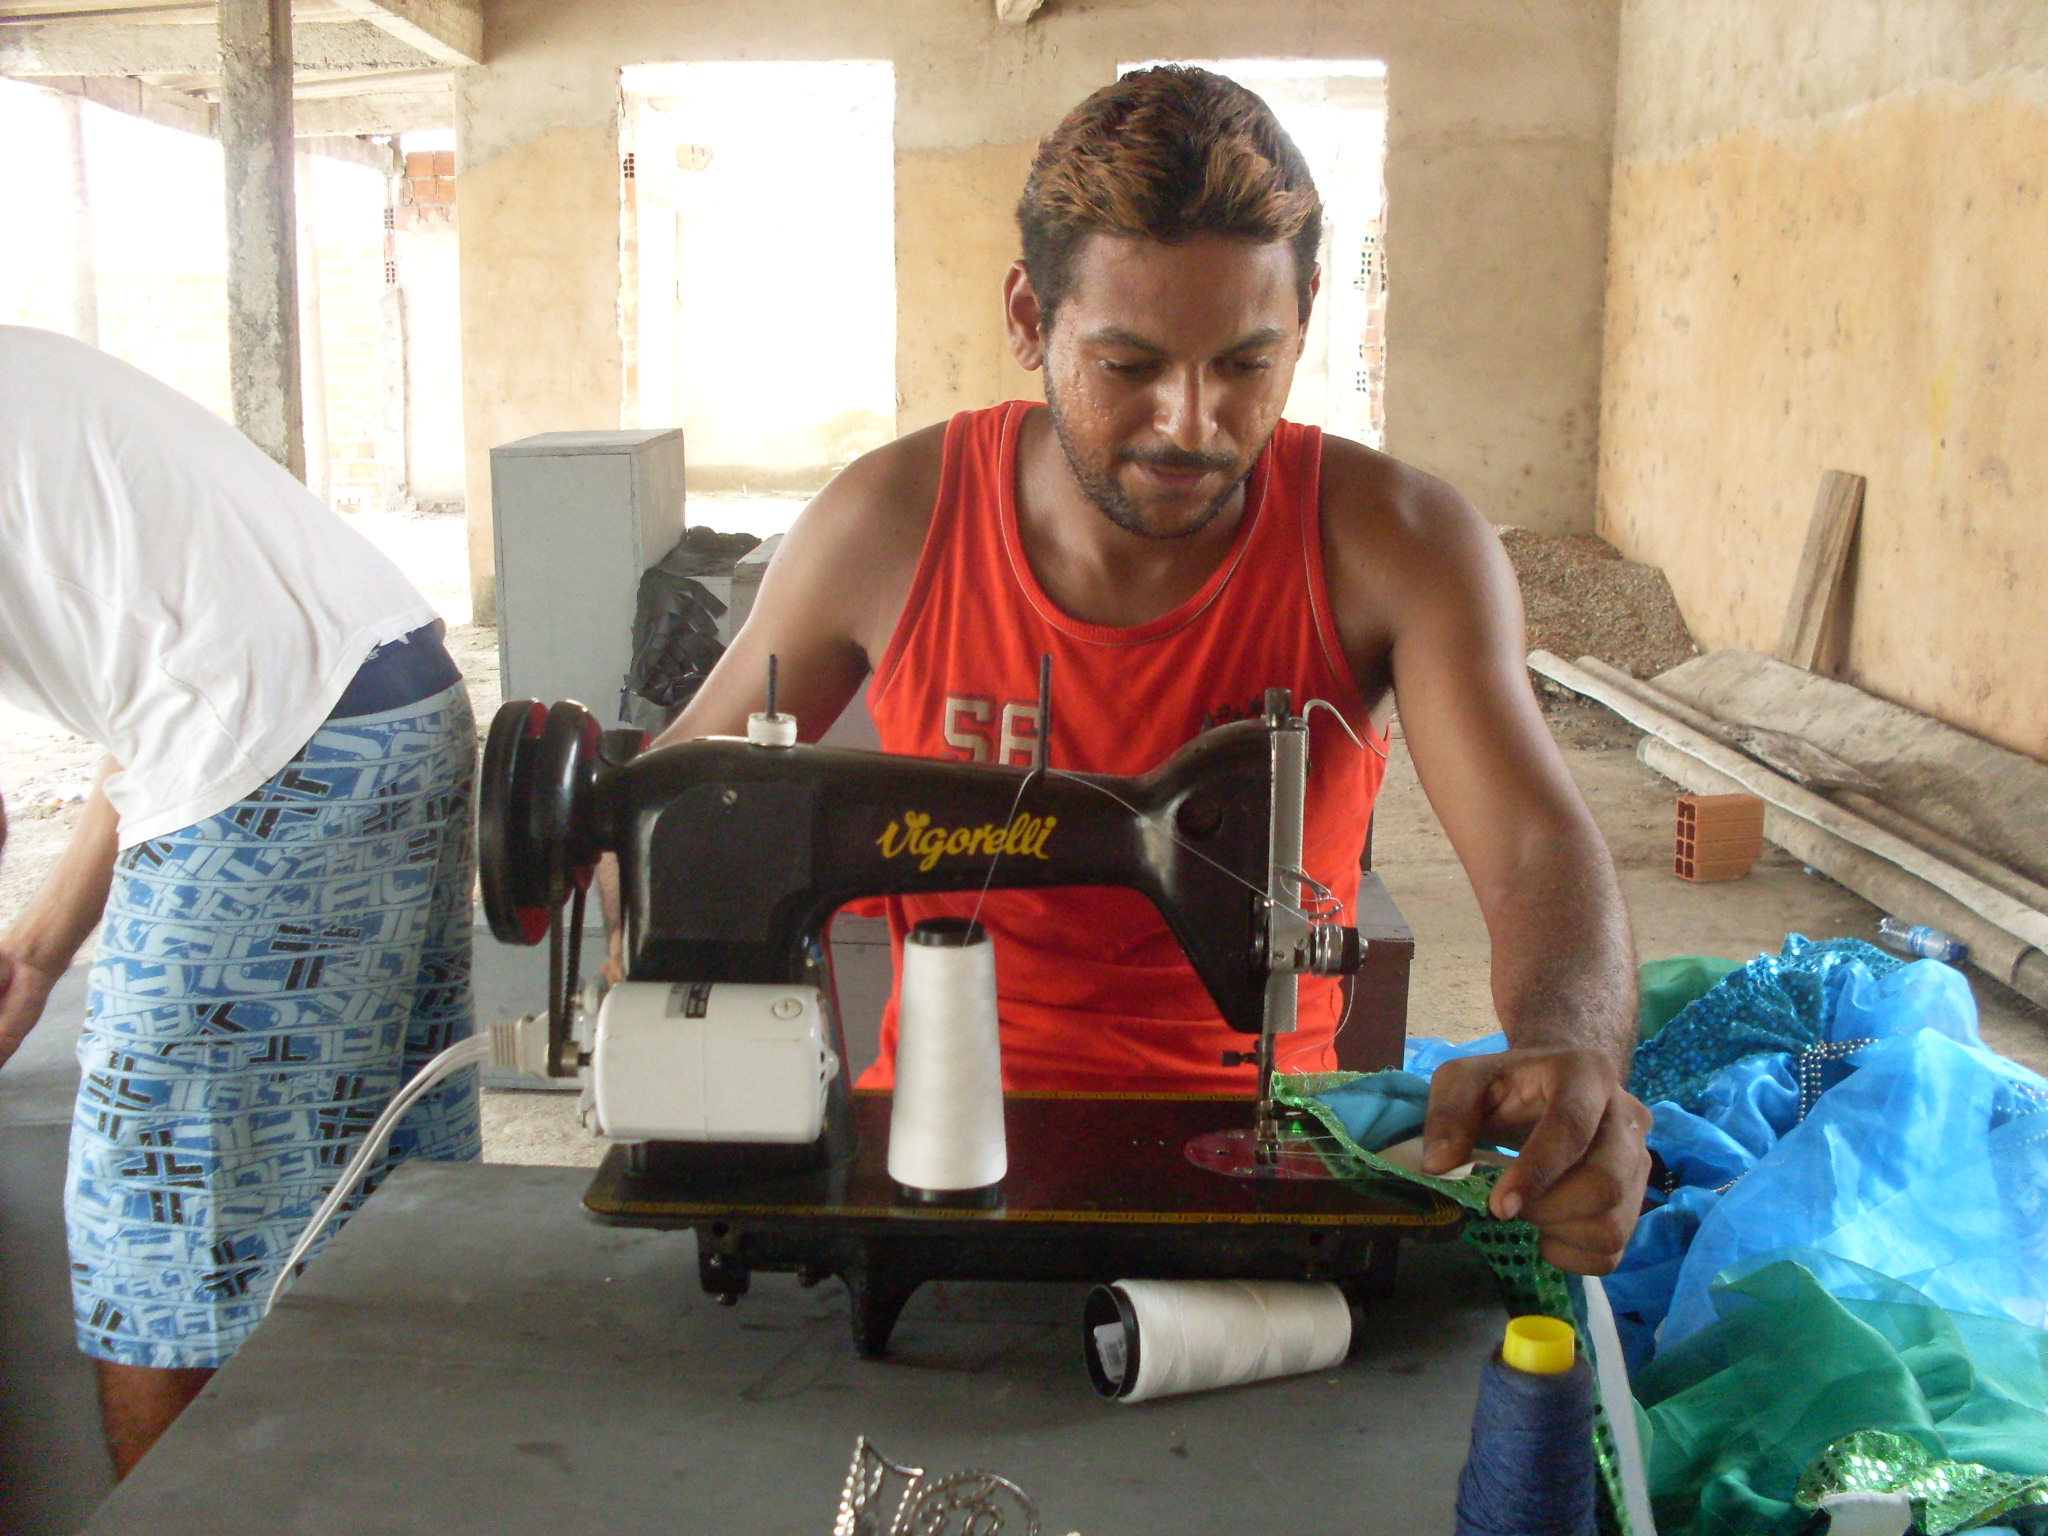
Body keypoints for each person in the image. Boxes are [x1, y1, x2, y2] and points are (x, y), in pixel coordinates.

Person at [634, 67, 1651, 1274]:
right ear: (1030, 317)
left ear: (1304, 316)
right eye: (1128, 367)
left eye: (1244, 365)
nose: (1190, 423)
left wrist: (1570, 1049)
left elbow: (1534, 849)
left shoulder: (1397, 544)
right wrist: (660, 942)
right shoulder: (887, 525)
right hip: (930, 1163)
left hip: (1266, 1156)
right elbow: (677, 805)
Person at [0, 327, 480, 1477]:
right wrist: (40, 952)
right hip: (398, 708)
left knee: (162, 1229)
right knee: (370, 1192)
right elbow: (167, 687)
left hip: (279, 766)